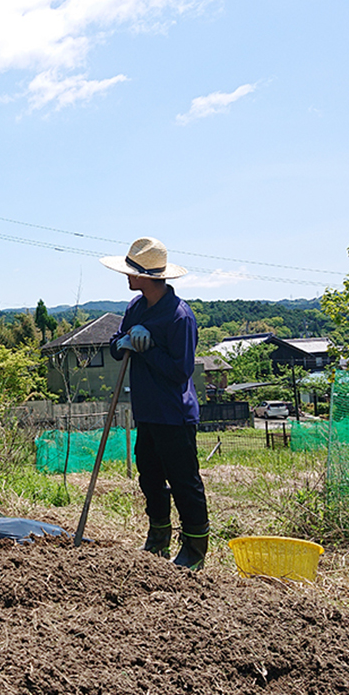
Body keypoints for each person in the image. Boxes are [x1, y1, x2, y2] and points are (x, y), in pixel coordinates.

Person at [101, 237, 209, 570]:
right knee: (149, 476)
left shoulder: (179, 316)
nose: (127, 277)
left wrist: (148, 349)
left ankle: (194, 549)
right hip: (146, 410)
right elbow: (116, 347)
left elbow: (181, 371)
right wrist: (124, 341)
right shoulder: (135, 308)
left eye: (131, 271)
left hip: (174, 414)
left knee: (183, 481)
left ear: (148, 276)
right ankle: (158, 536)